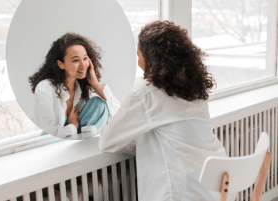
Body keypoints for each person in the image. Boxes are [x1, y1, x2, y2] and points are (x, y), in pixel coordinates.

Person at [99, 21, 237, 201]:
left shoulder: (147, 92)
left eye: (138, 53)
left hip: (183, 193)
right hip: (218, 186)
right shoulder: (195, 88)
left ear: (149, 58)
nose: (137, 58)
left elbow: (107, 141)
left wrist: (141, 137)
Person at [29, 33, 120, 138]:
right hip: (52, 146)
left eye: (85, 58)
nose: (83, 65)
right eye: (76, 60)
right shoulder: (45, 87)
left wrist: (95, 84)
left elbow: (118, 116)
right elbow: (47, 132)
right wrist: (72, 126)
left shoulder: (84, 88)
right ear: (60, 64)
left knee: (100, 104)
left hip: (80, 146)